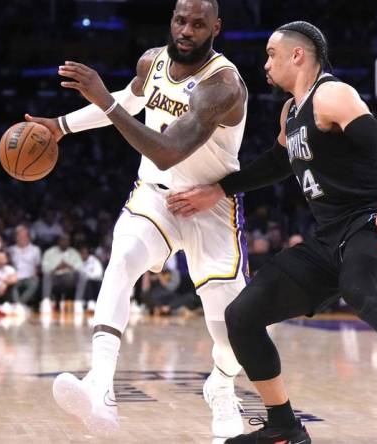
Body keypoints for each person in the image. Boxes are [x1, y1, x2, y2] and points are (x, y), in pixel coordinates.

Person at [167, 21, 377, 442]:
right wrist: (218, 189)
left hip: (373, 221)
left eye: (271, 54)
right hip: (328, 237)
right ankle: (284, 428)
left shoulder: (332, 95)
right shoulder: (291, 112)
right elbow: (276, 165)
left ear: (297, 55)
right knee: (241, 317)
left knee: (360, 291)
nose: (265, 63)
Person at [26, 0, 248, 437]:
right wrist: (61, 126)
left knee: (229, 327)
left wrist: (104, 101)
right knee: (123, 258)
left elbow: (166, 152)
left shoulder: (223, 85)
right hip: (157, 197)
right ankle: (101, 387)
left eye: (198, 24)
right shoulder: (152, 61)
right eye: (180, 20)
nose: (186, 30)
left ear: (215, 28)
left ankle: (222, 387)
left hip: (209, 204)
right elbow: (132, 99)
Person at [40, 233, 82, 311]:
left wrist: (68, 266)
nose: (64, 242)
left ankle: (78, 302)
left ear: (69, 242)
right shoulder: (49, 252)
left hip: (69, 278)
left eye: (67, 240)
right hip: (54, 277)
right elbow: (44, 269)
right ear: (58, 241)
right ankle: (46, 301)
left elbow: (80, 268)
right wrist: (56, 268)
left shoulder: (74, 253)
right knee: (46, 274)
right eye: (62, 240)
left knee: (82, 275)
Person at [7, 225, 41, 309]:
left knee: (35, 282)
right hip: (15, 276)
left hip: (29, 277)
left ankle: (18, 305)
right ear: (16, 237)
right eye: (19, 236)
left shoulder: (35, 249)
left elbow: (37, 266)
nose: (22, 238)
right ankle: (19, 306)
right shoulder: (10, 250)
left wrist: (35, 275)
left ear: (28, 237)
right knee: (11, 283)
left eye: (24, 236)